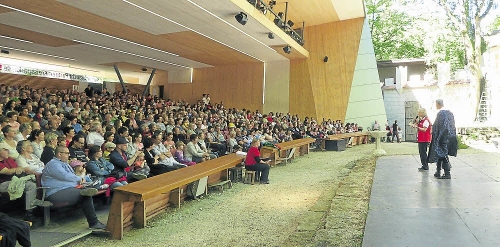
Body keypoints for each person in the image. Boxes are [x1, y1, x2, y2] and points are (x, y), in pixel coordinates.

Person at [41, 146, 106, 229]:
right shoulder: (53, 164)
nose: (69, 155)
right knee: (85, 195)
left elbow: (72, 176)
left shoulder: (64, 164)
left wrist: (83, 181)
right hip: (55, 192)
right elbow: (64, 176)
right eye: (67, 153)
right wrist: (80, 179)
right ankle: (94, 223)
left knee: (86, 192)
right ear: (59, 154)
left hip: (69, 189)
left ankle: (94, 222)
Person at [428, 99, 458, 179]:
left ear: (437, 104)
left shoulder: (441, 113)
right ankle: (438, 172)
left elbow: (440, 126)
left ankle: (447, 173)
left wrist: (436, 135)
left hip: (442, 137)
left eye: (436, 104)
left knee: (442, 154)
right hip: (450, 136)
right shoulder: (450, 113)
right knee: (440, 154)